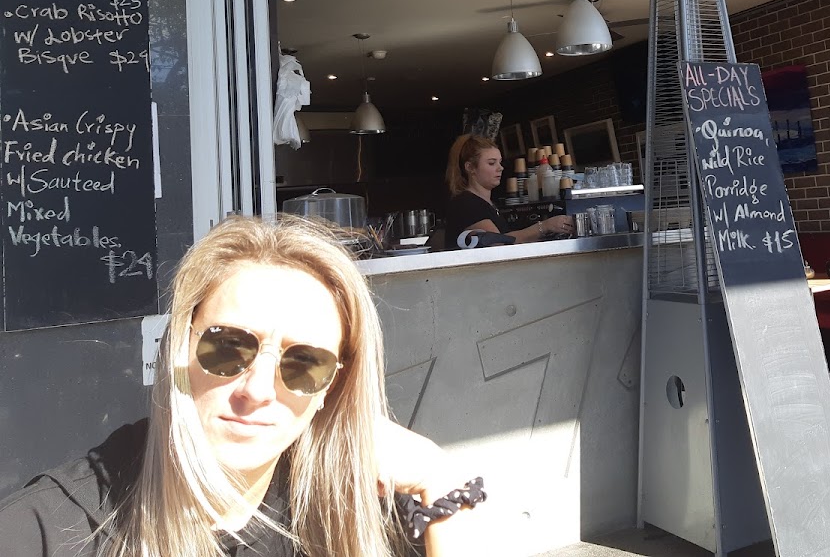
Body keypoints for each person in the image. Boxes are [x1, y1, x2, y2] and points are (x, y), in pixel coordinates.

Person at [0, 216, 484, 556]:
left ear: (330, 388)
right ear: (180, 351)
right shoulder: (44, 531)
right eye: (228, 347)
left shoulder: (363, 513)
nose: (258, 391)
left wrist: (439, 481)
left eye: (305, 363)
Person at [443, 134, 573, 248]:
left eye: (499, 162)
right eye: (491, 163)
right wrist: (544, 226)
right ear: (470, 167)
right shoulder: (466, 204)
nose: (500, 168)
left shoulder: (489, 203)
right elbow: (499, 242)